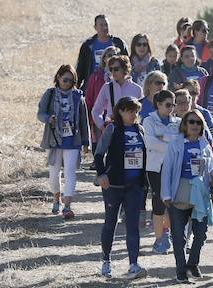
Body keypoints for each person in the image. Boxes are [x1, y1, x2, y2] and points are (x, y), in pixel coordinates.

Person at [161, 110, 213, 284]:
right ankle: (181, 271)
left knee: (201, 233)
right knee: (179, 236)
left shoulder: (204, 144)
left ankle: (193, 263)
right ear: (185, 125)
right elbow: (167, 171)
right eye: (191, 122)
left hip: (200, 194)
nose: (195, 125)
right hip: (179, 191)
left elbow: (211, 166)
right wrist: (165, 194)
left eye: (198, 122)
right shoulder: (176, 144)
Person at [94, 97, 148, 280]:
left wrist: (145, 182)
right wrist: (102, 174)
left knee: (133, 225)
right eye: (130, 111)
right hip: (113, 185)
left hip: (134, 185)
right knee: (111, 222)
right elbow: (99, 153)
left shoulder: (140, 130)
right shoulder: (112, 128)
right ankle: (106, 260)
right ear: (121, 111)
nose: (133, 115)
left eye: (136, 111)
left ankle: (133, 264)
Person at [37, 65, 90, 219]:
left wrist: (86, 142)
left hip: (73, 140)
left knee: (70, 172)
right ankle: (56, 198)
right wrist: (48, 119)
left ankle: (67, 205)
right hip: (54, 139)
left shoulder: (78, 96)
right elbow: (40, 113)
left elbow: (83, 120)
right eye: (65, 79)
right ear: (58, 77)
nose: (67, 83)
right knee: (54, 174)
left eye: (71, 81)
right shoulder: (50, 93)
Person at [142, 89, 180, 255]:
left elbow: (181, 143)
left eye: (173, 105)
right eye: (167, 104)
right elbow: (150, 143)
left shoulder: (178, 122)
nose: (171, 108)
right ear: (158, 104)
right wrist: (169, 142)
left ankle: (168, 233)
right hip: (155, 168)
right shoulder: (148, 121)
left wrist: (162, 138)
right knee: (158, 202)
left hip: (173, 167)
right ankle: (158, 239)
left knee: (172, 202)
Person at [91, 55, 144, 133]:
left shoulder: (137, 89)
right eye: (111, 69)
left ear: (125, 69)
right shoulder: (107, 87)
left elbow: (141, 113)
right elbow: (96, 111)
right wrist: (103, 127)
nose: (113, 72)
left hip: (131, 131)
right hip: (113, 131)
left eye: (116, 69)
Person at [75, 14, 128, 90]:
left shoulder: (118, 43)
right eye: (101, 25)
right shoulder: (88, 45)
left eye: (106, 24)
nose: (104, 27)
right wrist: (76, 86)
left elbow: (127, 64)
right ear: (95, 27)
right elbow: (81, 68)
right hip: (93, 85)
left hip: (115, 85)